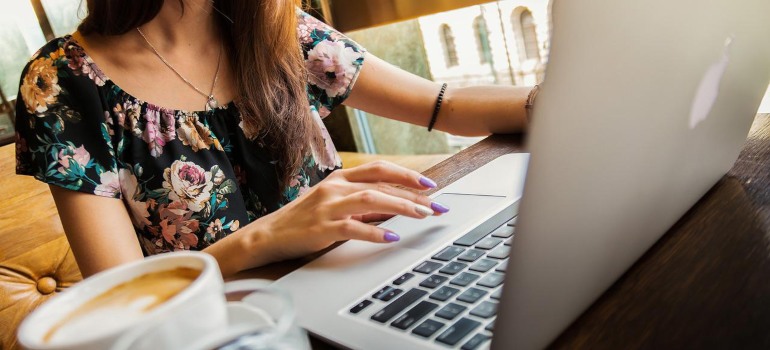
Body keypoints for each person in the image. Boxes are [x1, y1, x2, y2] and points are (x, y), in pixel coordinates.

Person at [15, 0, 533, 278]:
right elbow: (122, 297)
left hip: (357, 278)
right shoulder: (64, 83)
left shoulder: (275, 27)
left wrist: (564, 97)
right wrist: (266, 237)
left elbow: (442, 105)